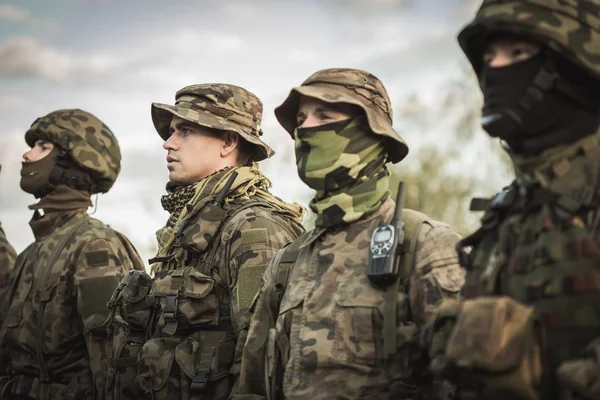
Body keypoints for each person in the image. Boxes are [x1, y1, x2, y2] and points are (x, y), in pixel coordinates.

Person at [234, 68, 464, 400]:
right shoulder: (288, 262)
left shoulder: (424, 244)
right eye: (301, 118)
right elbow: (253, 388)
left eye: (324, 114)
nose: (305, 128)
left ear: (371, 135)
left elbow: (468, 382)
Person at [424, 1, 600, 400]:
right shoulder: (509, 212)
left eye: (518, 54)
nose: (497, 70)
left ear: (574, 66)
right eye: (489, 57)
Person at [104, 84, 305, 400]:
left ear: (228, 141)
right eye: (171, 132)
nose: (168, 144)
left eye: (184, 130)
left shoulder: (254, 228)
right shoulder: (190, 226)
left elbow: (263, 362)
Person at [0, 109, 145, 400]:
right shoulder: (34, 251)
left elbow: (116, 366)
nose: (27, 156)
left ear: (74, 161)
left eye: (43, 147)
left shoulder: (94, 245)